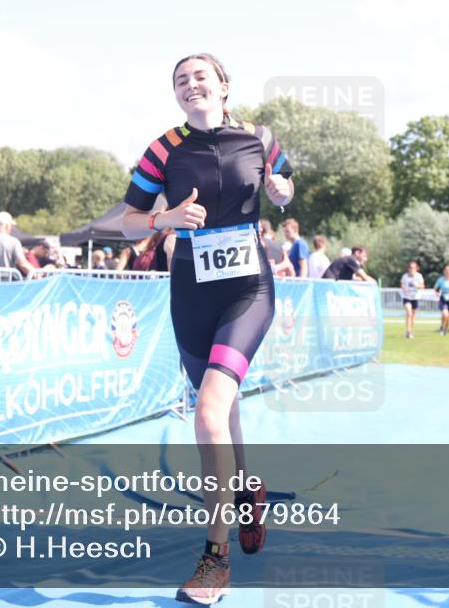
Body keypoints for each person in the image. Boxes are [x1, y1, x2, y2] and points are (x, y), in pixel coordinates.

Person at [120, 53, 294, 605]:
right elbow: (126, 225)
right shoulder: (163, 148)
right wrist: (163, 220)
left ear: (223, 86)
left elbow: (284, 180)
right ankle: (246, 489)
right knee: (225, 407)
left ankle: (213, 560)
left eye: (200, 76)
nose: (190, 84)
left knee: (210, 411)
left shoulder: (259, 137)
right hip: (191, 292)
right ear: (176, 96)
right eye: (180, 80)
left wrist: (284, 190)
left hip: (248, 289)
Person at [399, 260, 424, 339]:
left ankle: (409, 331)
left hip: (415, 297)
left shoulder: (419, 276)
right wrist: (404, 289)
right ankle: (408, 331)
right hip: (407, 297)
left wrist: (417, 286)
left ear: (416, 268)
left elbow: (423, 286)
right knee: (409, 313)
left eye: (413, 268)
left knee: (412, 316)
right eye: (410, 268)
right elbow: (402, 284)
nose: (411, 269)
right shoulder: (405, 276)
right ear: (408, 269)